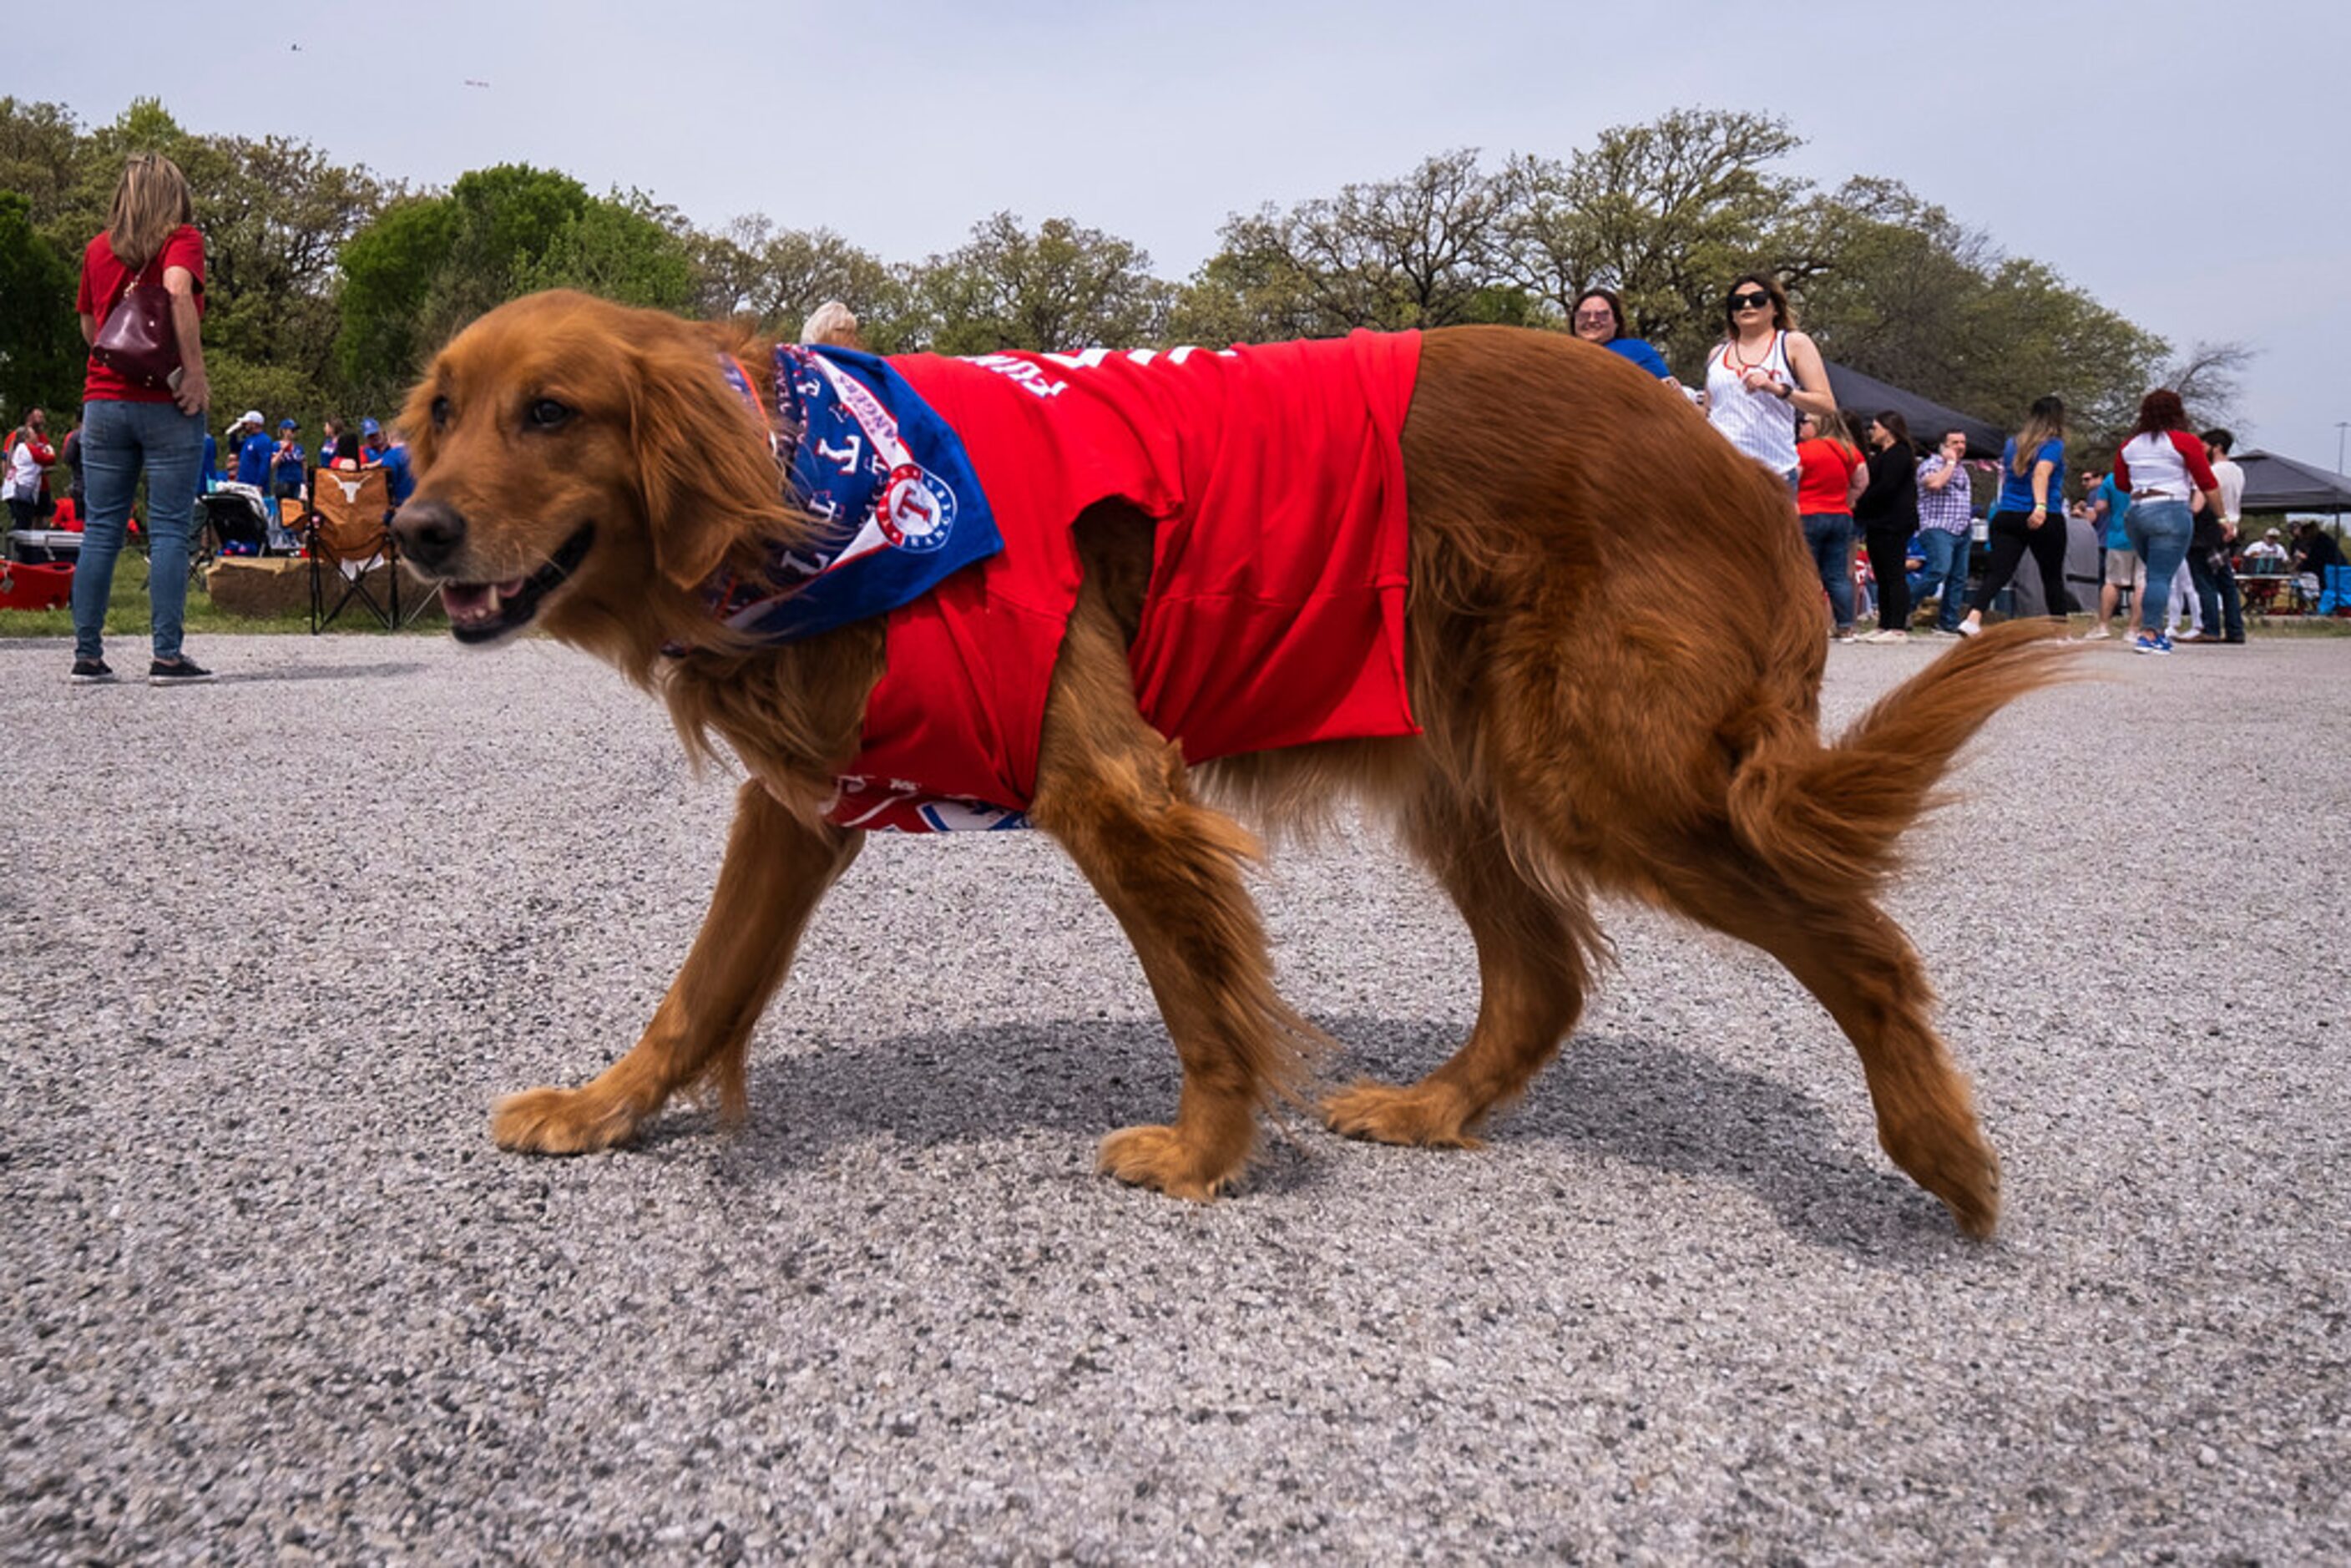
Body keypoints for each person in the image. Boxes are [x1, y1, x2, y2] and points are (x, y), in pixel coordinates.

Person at [70, 151, 214, 685]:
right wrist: (193, 375)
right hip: (167, 404)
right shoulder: (182, 240)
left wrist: (123, 358)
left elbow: (91, 326)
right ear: (171, 194)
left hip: (103, 403)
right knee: (171, 528)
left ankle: (87, 655)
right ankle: (167, 655)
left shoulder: (97, 248)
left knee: (102, 528)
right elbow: (177, 289)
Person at [2112, 389, 2224, 655]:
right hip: (2170, 507)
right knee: (2160, 576)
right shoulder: (2184, 442)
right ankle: (2151, 633)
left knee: (2154, 574)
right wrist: (2223, 517)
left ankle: (2150, 630)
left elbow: (2121, 483)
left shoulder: (2129, 445)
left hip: (2137, 511)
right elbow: (2207, 483)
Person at [1701, 271, 1835, 488]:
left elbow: (1826, 405)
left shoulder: (1793, 344)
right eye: (1737, 302)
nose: (1747, 305)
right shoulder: (1717, 354)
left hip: (1773, 473)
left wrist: (1778, 389)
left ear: (1774, 308)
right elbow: (1707, 411)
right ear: (1731, 314)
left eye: (1757, 299)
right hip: (1721, 471)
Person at [1957, 396, 2070, 639]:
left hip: (2007, 513)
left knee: (1999, 571)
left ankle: (1973, 617)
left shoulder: (2012, 444)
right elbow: (2041, 473)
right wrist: (2039, 506)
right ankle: (2060, 631)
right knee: (2051, 575)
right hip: (2043, 514)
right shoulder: (2054, 445)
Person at [1793, 408, 1866, 640]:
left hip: (1808, 514)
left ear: (1817, 425)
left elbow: (1793, 481)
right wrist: (1847, 499)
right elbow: (1862, 481)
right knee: (1837, 574)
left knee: (1805, 573)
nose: (1801, 427)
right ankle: (1846, 626)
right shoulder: (1849, 450)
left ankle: (1807, 625)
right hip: (1840, 515)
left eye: (1804, 422)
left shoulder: (1803, 451)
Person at [1852, 410, 1919, 641]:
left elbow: (1886, 487)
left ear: (1889, 430)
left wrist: (1860, 501)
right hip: (1878, 520)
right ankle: (1884, 623)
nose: (1872, 432)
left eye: (1875, 428)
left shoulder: (1899, 454)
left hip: (1894, 521)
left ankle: (1897, 626)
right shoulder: (1881, 455)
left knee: (1893, 572)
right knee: (1880, 572)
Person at [2186, 428, 2246, 643]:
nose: (2201, 451)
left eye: (2204, 446)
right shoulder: (2238, 471)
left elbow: (2197, 506)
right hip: (2232, 528)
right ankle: (2235, 629)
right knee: (2227, 582)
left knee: (2204, 581)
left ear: (2216, 447)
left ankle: (2211, 627)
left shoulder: (2209, 471)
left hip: (2207, 531)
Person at [1913, 427, 1974, 634]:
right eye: (1955, 443)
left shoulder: (1962, 469)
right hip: (1938, 526)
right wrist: (1949, 462)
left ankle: (1948, 621)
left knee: (1958, 577)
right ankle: (1905, 604)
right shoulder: (1931, 465)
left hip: (1962, 529)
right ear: (1943, 446)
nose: (1960, 447)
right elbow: (1935, 484)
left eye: (1963, 443)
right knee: (1939, 570)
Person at [2073, 468, 2138, 640]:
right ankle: (2133, 629)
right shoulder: (2147, 475)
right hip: (2143, 535)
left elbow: (2100, 507)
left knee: (2111, 582)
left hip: (2117, 536)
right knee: (2141, 584)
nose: (2085, 483)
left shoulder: (2111, 480)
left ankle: (2103, 626)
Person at [1570, 287, 1676, 384]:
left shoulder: (1638, 351)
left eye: (1602, 315)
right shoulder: (1564, 355)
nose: (1592, 320)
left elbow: (1667, 392)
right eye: (1583, 315)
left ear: (1616, 322)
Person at [5, 407, 58, 536]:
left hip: (34, 486)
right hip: (22, 488)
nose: (42, 420)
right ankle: (19, 550)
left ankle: (28, 549)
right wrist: (50, 451)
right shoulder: (27, 447)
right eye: (39, 417)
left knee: (33, 518)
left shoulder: (35, 442)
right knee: (23, 522)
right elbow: (49, 458)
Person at [2292, 520, 2348, 615]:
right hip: (2333, 568)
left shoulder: (2320, 541)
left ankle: (2328, 609)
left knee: (2327, 589)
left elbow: (2314, 560)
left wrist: (2301, 568)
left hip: (2332, 569)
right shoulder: (2321, 539)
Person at [360, 417, 413, 505]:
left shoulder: (394, 447)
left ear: (381, 432)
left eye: (376, 434)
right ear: (366, 438)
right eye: (370, 436)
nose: (374, 438)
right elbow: (359, 468)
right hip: (380, 497)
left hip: (403, 493)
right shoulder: (365, 451)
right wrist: (376, 464)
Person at [270, 418, 306, 504]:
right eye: (292, 430)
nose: (294, 433)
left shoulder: (299, 448)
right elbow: (273, 465)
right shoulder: (276, 446)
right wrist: (282, 451)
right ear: (284, 431)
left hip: (297, 483)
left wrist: (305, 482)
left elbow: (303, 466)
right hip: (283, 482)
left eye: (295, 430)